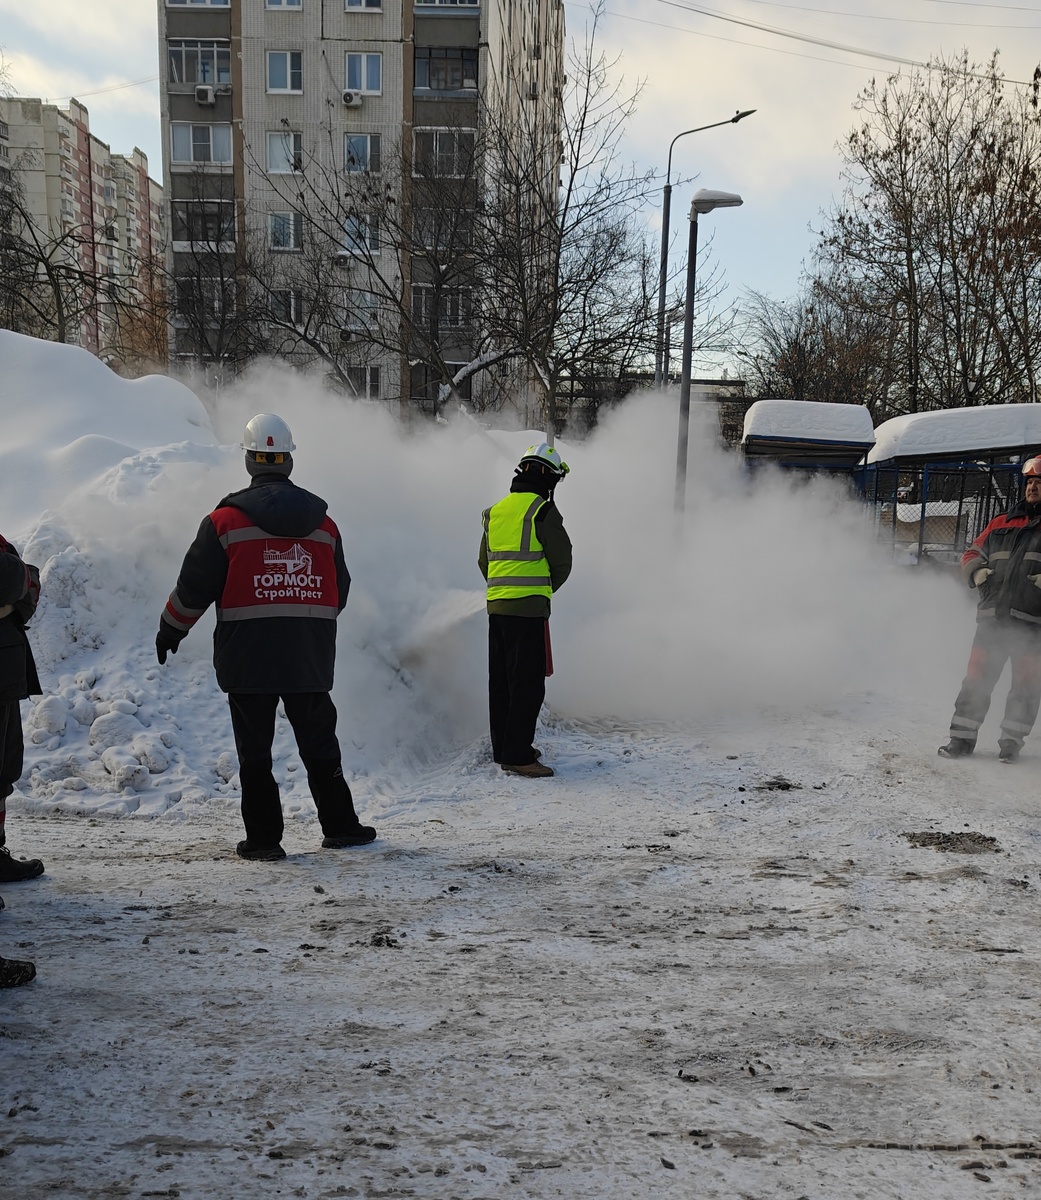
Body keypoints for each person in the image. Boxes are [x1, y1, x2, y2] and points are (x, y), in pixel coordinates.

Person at [156, 414, 375, 860]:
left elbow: (195, 587)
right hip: (307, 657)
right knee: (320, 746)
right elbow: (340, 590)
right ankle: (341, 827)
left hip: (247, 657)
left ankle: (263, 841)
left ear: (250, 461)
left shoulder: (224, 522)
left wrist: (171, 628)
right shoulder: (324, 525)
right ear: (289, 461)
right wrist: (306, 622)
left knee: (254, 751)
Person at [939, 455, 1041, 763]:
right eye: (1030, 483)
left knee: (1026, 685)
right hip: (992, 619)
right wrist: (975, 572)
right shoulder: (1001, 522)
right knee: (976, 679)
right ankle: (961, 739)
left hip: (1032, 624)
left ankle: (1011, 743)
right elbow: (972, 552)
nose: (1033, 488)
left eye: (1040, 483)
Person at [479, 442, 572, 778]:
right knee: (528, 685)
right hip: (528, 613)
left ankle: (505, 748)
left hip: (497, 609)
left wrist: (505, 590)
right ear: (547, 478)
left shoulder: (495, 511)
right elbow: (562, 561)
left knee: (501, 682)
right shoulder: (542, 511)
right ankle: (519, 754)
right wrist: (540, 591)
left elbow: (483, 562)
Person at [0, 535, 45, 884]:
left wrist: (20, 583)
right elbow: (12, 578)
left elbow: (25, 582)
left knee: (3, 768)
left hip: (5, 666)